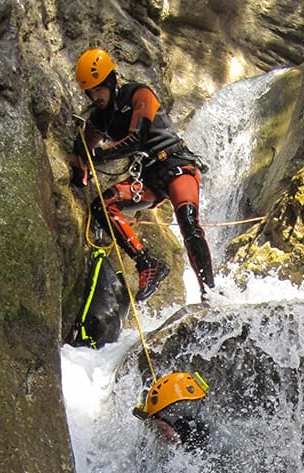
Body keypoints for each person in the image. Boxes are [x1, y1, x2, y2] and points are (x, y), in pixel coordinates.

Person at [69, 47, 215, 301]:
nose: (95, 96)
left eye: (98, 89)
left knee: (188, 223)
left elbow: (136, 138)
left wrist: (99, 155)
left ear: (111, 81)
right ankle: (147, 263)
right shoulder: (99, 117)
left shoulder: (139, 94)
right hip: (149, 178)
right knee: (103, 206)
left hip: (175, 165)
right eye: (90, 92)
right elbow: (84, 148)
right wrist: (80, 164)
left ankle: (210, 292)